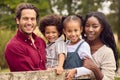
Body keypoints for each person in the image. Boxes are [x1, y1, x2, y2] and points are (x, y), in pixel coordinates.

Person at [4, 3, 46, 71]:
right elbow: (31, 74)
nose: (29, 22)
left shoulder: (41, 41)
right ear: (17, 20)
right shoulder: (13, 46)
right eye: (25, 19)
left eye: (32, 19)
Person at [82, 11, 119, 80]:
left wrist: (94, 69)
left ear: (102, 28)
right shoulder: (77, 44)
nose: (90, 29)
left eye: (95, 26)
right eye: (87, 26)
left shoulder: (107, 52)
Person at [62, 15, 93, 79]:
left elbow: (90, 68)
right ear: (64, 31)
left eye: (76, 30)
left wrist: (76, 71)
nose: (73, 34)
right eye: (69, 31)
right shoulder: (64, 45)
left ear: (81, 29)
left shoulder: (83, 46)